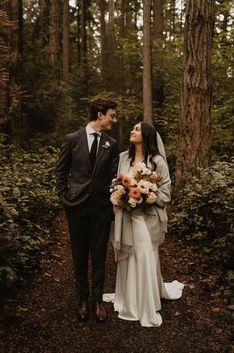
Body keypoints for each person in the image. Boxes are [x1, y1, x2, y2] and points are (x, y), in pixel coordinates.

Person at [106, 122, 184, 327]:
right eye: (131, 128)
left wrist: (147, 193)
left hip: (146, 218)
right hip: (125, 215)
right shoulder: (124, 157)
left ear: (147, 135)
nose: (132, 131)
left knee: (143, 255)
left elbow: (166, 192)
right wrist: (119, 193)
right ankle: (127, 300)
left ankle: (145, 304)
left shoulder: (157, 161)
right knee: (127, 256)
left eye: (137, 129)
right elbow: (116, 182)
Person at [55, 97, 119, 323]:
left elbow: (113, 178)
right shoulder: (72, 139)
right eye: (112, 115)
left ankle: (98, 301)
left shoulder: (112, 143)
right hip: (77, 207)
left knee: (100, 255)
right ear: (100, 114)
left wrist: (113, 202)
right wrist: (65, 198)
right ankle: (82, 299)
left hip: (102, 209)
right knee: (79, 254)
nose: (114, 119)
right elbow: (61, 172)